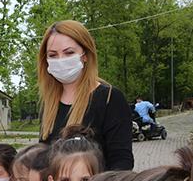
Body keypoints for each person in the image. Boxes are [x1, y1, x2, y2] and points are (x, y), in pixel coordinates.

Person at [37, 20, 133, 171]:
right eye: (53, 55)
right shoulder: (48, 103)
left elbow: (121, 162)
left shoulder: (110, 98)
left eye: (69, 53)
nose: (61, 60)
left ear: (85, 55)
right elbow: (42, 158)